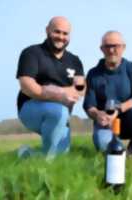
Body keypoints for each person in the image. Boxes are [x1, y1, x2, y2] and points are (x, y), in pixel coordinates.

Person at [16, 16, 84, 158]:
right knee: (58, 110)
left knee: (60, 155)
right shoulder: (31, 53)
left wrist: (77, 90)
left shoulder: (75, 60)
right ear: (47, 30)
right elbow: (27, 86)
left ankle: (27, 154)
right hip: (30, 108)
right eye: (57, 32)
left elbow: (80, 88)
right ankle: (46, 166)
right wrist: (59, 93)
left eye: (65, 33)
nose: (61, 37)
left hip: (63, 114)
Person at [83, 31, 132, 155]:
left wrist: (118, 109)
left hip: (129, 120)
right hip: (106, 123)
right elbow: (88, 105)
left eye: (116, 46)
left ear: (123, 47)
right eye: (108, 46)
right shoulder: (93, 74)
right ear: (101, 49)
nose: (112, 50)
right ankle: (117, 153)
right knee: (106, 149)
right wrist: (97, 114)